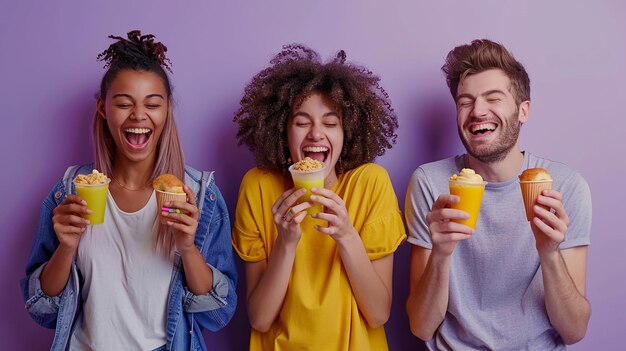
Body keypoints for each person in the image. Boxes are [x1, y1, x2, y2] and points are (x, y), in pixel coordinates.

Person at [21, 30, 236, 350]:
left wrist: (188, 248)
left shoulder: (199, 195)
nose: (138, 115)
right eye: (123, 103)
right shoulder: (69, 190)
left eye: (153, 103)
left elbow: (219, 314)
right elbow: (43, 309)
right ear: (102, 108)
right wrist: (66, 247)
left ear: (167, 110)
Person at [405, 39, 592, 350]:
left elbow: (574, 331)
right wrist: (440, 254)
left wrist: (549, 253)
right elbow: (421, 328)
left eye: (493, 98)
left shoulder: (566, 186)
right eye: (465, 101)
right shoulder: (431, 183)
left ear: (523, 111)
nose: (477, 111)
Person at [232, 44, 406, 351]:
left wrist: (346, 235)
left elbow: (379, 314)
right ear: (282, 133)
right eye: (301, 122)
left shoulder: (370, 184)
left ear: (347, 133)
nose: (315, 134)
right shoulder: (258, 186)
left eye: (330, 123)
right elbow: (259, 319)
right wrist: (286, 243)